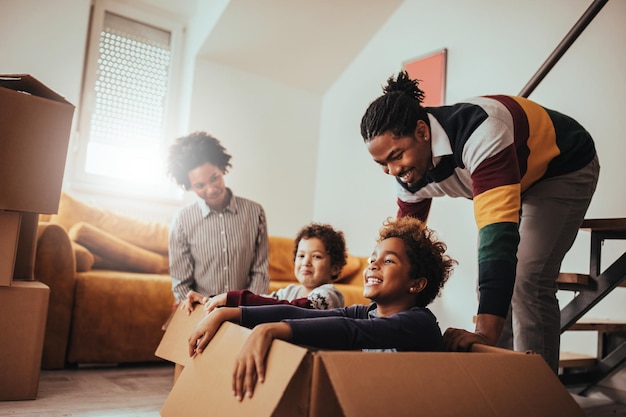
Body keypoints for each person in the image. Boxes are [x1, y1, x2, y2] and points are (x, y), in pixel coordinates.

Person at [359, 70, 600, 372]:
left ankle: (536, 392)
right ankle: (498, 379)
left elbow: (497, 239)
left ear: (422, 132)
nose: (392, 171)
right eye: (382, 164)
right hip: (517, 175)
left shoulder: (481, 132)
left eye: (396, 156)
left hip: (561, 167)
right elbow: (404, 247)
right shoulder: (405, 174)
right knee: (491, 284)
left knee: (528, 280)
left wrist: (484, 332)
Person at [188, 216, 456, 401]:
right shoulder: (368, 312)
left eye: (388, 261)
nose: (372, 265)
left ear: (416, 284)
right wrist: (228, 312)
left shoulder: (417, 322)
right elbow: (300, 313)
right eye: (373, 259)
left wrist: (270, 331)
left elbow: (348, 330)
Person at [166, 131, 270, 314]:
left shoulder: (255, 212)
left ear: (222, 168)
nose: (211, 189)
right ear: (189, 187)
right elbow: (182, 285)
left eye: (214, 178)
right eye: (200, 185)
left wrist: (247, 310)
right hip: (201, 312)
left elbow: (260, 271)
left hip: (245, 312)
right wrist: (207, 311)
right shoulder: (182, 221)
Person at [204, 222, 347, 312]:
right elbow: (260, 301)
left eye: (316, 256)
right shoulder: (290, 291)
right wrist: (211, 300)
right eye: (301, 256)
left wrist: (234, 298)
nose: (306, 262)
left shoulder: (329, 295)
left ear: (334, 267)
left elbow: (293, 310)